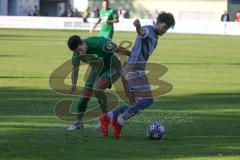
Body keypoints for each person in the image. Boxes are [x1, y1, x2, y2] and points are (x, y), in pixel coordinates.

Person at [104, 11, 175, 139]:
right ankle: (121, 119)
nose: (165, 30)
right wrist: (137, 27)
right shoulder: (149, 30)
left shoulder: (156, 35)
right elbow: (142, 32)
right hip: (134, 69)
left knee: (135, 104)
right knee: (148, 100)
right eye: (164, 27)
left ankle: (108, 116)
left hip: (128, 69)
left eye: (167, 29)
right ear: (158, 23)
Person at [66, 35, 130, 137]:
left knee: (97, 89)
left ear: (82, 42)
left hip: (112, 66)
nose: (80, 52)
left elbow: (117, 48)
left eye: (80, 49)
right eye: (77, 51)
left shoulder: (99, 44)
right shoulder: (76, 52)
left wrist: (132, 56)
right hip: (97, 69)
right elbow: (75, 68)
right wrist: (74, 85)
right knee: (85, 96)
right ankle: (78, 122)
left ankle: (105, 118)